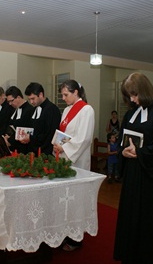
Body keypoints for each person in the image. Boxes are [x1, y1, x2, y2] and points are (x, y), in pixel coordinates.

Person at [113, 73, 153, 264]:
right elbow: (123, 139)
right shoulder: (131, 113)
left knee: (149, 219)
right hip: (133, 173)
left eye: (134, 94)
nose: (132, 99)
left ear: (145, 91)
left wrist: (140, 152)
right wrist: (123, 152)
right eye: (129, 95)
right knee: (131, 214)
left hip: (151, 176)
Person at [51, 79, 95, 251]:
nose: (63, 98)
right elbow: (64, 133)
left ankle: (76, 238)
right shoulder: (67, 110)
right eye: (62, 95)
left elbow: (84, 138)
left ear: (76, 92)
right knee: (64, 201)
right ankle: (63, 232)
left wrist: (65, 147)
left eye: (66, 94)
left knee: (75, 200)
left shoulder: (86, 110)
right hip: (63, 156)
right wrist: (58, 144)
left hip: (77, 160)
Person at [20, 82, 61, 156]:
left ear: (41, 95)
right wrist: (26, 137)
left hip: (46, 153)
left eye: (33, 98)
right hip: (33, 151)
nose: (31, 102)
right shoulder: (34, 109)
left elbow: (49, 135)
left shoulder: (52, 109)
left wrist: (31, 139)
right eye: (29, 99)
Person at [3, 86, 35, 154]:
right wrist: (6, 137)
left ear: (18, 97)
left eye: (11, 101)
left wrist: (10, 140)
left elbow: (26, 130)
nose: (10, 104)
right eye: (8, 101)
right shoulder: (14, 110)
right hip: (13, 148)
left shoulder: (29, 110)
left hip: (24, 149)